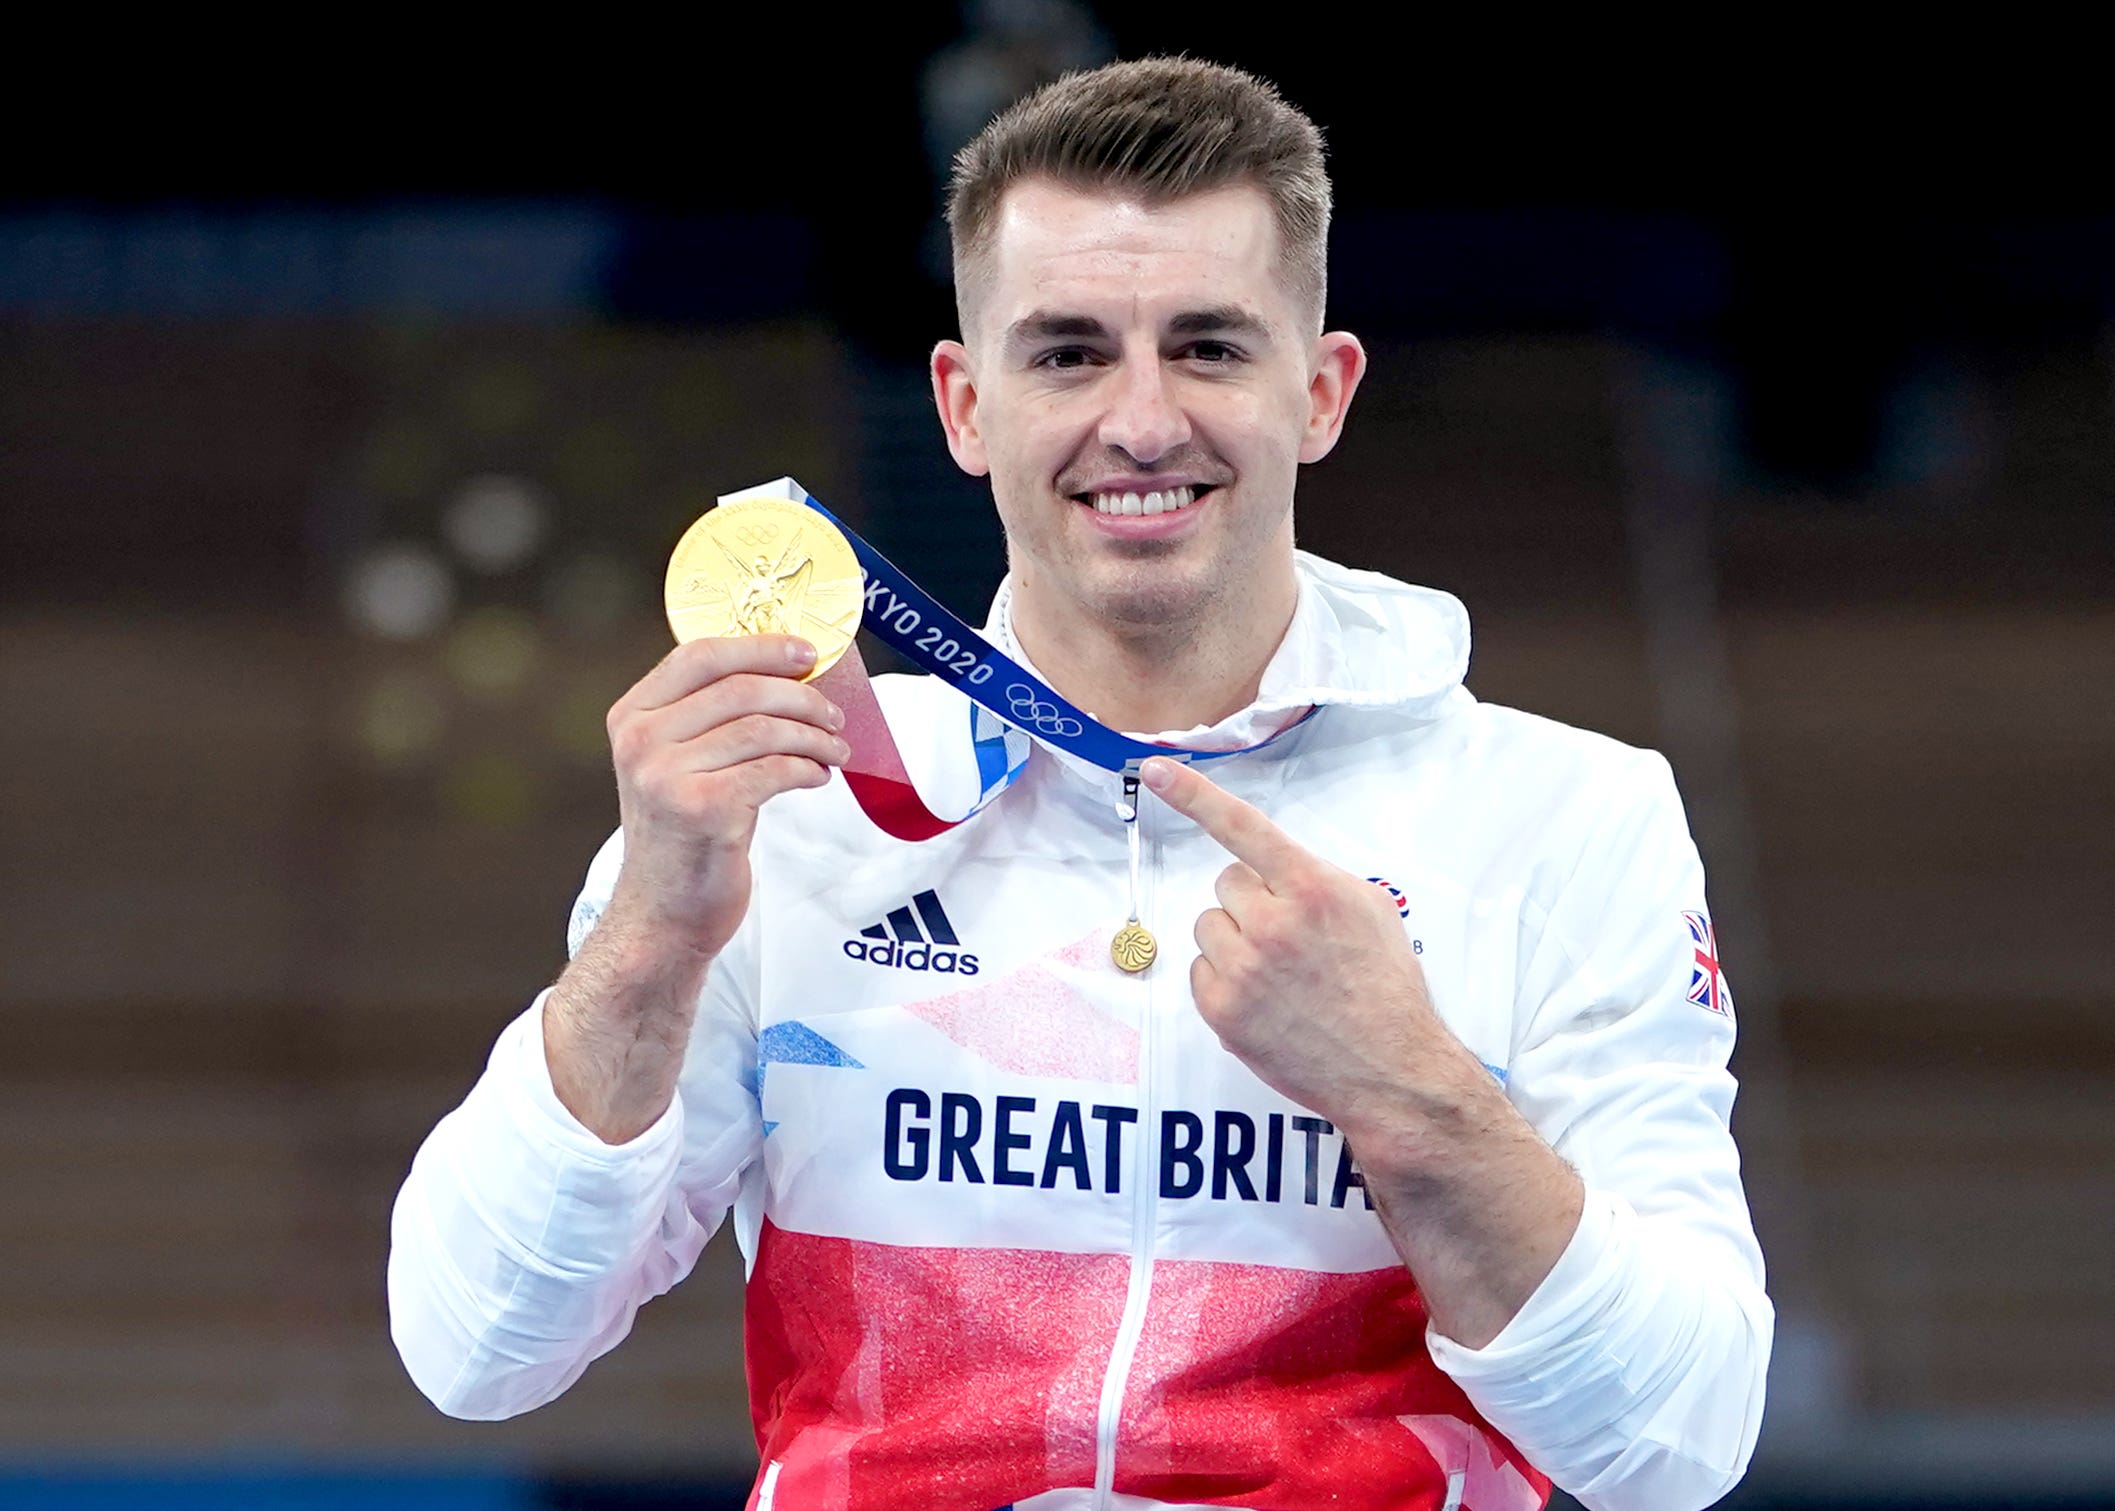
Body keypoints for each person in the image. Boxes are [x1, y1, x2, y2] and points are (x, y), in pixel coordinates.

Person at [389, 56, 1772, 1511]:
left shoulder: (1563, 821)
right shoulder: (791, 807)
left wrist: (1417, 1100)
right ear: (965, 403)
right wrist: (649, 950)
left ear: (1320, 391)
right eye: (1067, 353)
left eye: (1209, 347)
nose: (1144, 421)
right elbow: (477, 1347)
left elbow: (1677, 1446)